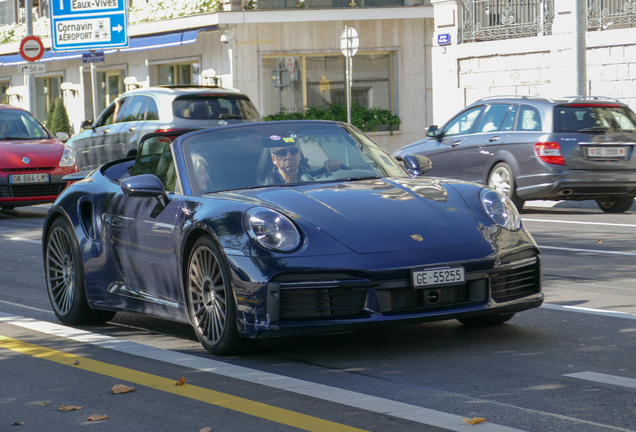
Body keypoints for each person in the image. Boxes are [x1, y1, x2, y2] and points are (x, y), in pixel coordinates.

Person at [260, 141, 340, 185]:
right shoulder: (264, 188)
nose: (289, 157)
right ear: (274, 159)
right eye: (282, 153)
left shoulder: (316, 177)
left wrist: (333, 167)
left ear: (300, 155)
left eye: (293, 151)